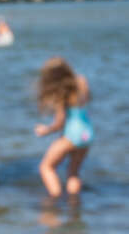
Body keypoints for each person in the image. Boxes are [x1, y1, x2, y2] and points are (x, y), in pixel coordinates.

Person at [34, 56, 93, 198]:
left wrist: (46, 130)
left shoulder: (63, 92)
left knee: (46, 167)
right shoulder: (82, 82)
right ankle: (74, 204)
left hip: (72, 134)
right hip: (87, 132)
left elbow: (60, 121)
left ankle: (55, 199)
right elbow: (88, 99)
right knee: (73, 172)